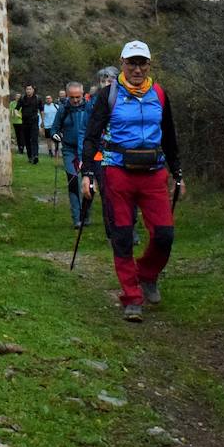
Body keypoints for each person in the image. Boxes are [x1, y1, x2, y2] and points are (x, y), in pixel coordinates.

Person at [79, 40, 184, 322]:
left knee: (165, 235)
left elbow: (170, 137)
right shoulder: (108, 95)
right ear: (122, 63)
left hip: (154, 174)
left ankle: (147, 275)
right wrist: (87, 173)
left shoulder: (159, 94)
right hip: (117, 172)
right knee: (122, 236)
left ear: (149, 65)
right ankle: (131, 297)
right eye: (131, 63)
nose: (137, 69)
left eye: (142, 63)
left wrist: (178, 173)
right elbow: (91, 136)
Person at [49, 81, 94, 227]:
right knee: (73, 180)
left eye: (78, 97)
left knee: (89, 182)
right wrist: (55, 135)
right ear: (67, 95)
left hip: (87, 150)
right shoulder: (63, 109)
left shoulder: (89, 107)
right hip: (69, 150)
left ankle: (86, 214)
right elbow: (54, 129)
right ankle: (77, 218)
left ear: (83, 94)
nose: (75, 100)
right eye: (72, 97)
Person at [18, 84, 42, 164]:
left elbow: (41, 110)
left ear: (33, 90)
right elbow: (16, 109)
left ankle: (35, 156)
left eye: (30, 89)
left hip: (34, 120)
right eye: (27, 89)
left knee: (34, 139)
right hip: (25, 121)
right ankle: (30, 156)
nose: (28, 90)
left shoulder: (38, 98)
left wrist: (43, 122)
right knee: (27, 140)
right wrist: (18, 115)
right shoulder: (22, 98)